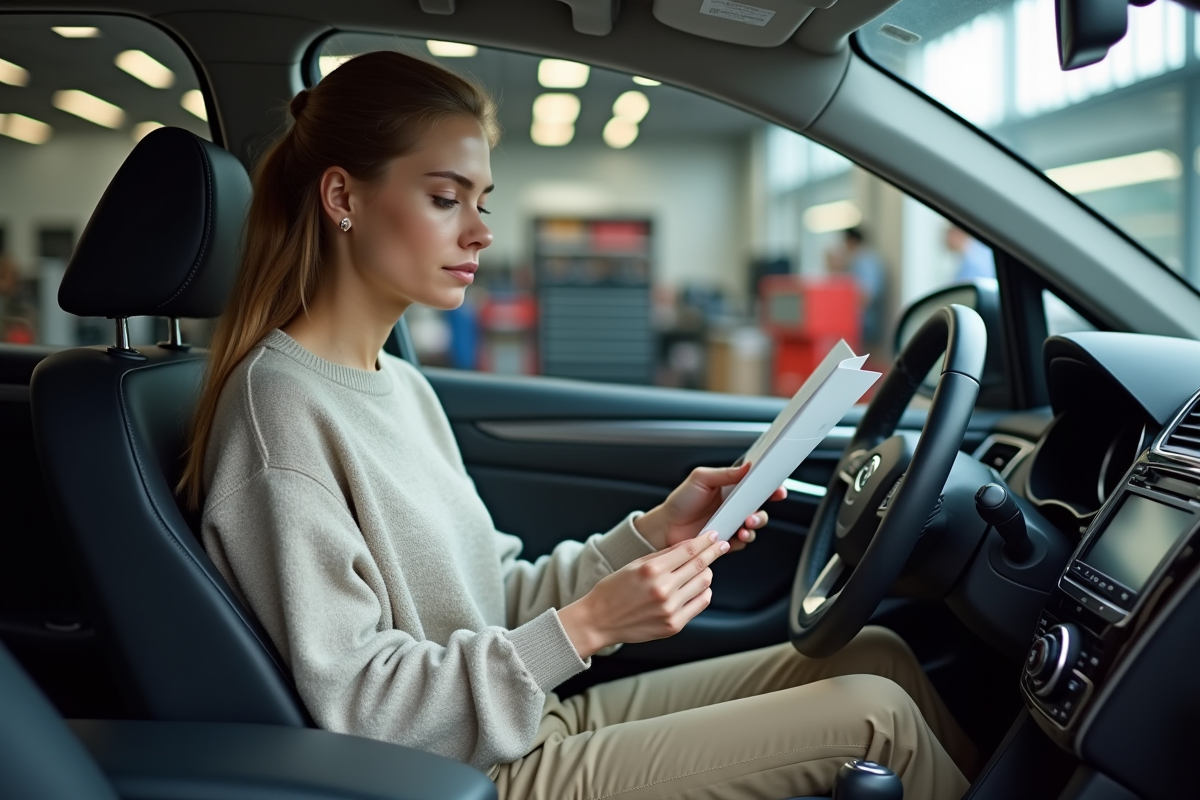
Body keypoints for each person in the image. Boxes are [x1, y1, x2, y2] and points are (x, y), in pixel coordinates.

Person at [180, 51, 976, 800]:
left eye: (480, 203)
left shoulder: (401, 386)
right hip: (472, 775)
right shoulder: (280, 411)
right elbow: (364, 707)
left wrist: (651, 536)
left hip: (521, 725)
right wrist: (590, 626)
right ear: (343, 198)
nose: (482, 231)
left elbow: (491, 599)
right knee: (879, 719)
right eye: (444, 197)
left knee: (882, 656)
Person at [826, 227, 886, 349]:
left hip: (864, 323)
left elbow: (866, 295)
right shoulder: (858, 261)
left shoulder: (864, 261)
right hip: (859, 323)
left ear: (851, 241)